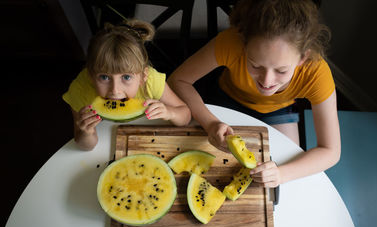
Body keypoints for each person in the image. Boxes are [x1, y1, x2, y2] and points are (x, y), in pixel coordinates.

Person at [167, 0, 341, 188]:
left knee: (288, 180)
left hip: (279, 110)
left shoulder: (317, 74)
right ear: (244, 45)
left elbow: (331, 151)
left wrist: (282, 174)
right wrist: (210, 123)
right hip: (228, 97)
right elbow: (178, 81)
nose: (266, 82)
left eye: (281, 70)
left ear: (302, 58)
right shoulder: (231, 42)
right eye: (255, 65)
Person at [63, 19, 191, 151]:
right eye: (104, 77)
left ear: (143, 76)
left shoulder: (151, 81)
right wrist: (86, 133)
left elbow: (185, 115)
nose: (115, 90)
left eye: (126, 77)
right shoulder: (80, 89)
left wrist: (170, 113)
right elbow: (85, 146)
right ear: (90, 76)